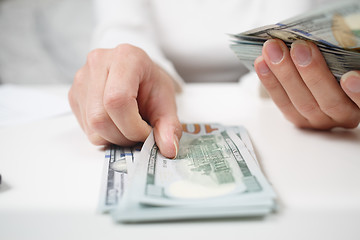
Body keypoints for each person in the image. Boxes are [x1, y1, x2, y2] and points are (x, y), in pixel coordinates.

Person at [68, 0, 360, 159]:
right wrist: (126, 64)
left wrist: (286, 83)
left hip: (279, 116)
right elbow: (121, 26)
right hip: (169, 100)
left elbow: (292, 35)